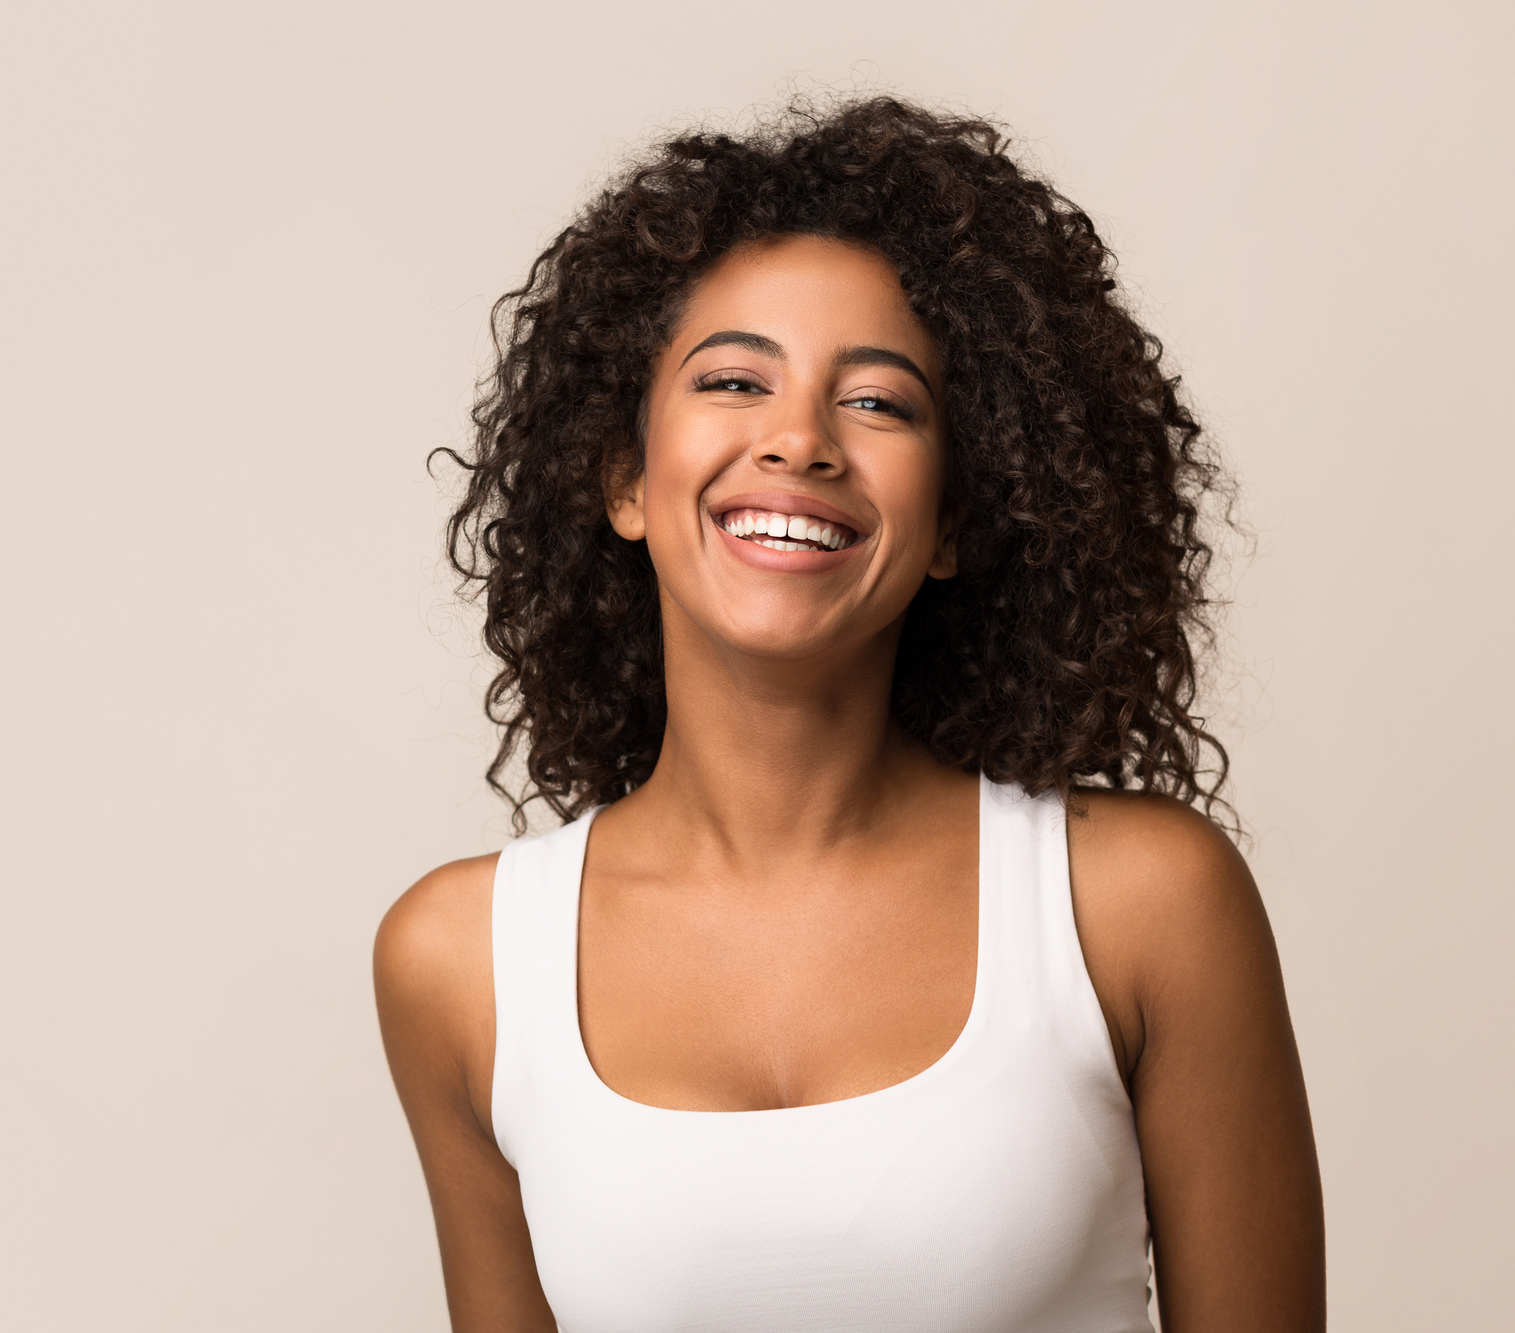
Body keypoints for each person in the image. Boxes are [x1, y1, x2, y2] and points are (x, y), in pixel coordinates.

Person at [375, 96, 1323, 1333]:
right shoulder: (460, 965)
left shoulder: (1138, 907)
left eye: (878, 402)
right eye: (731, 379)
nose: (798, 441)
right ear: (619, 476)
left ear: (959, 519)